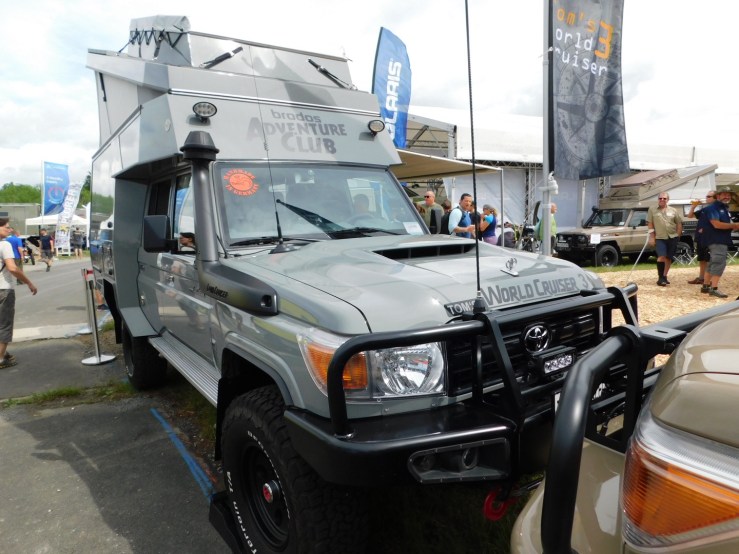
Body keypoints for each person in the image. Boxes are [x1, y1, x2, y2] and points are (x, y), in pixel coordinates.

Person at [0, 218, 38, 369]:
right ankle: (1, 359)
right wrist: (29, 282)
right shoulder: (4, 245)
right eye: (6, 227)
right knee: (4, 324)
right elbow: (12, 268)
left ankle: (3, 352)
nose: (9, 230)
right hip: (3, 289)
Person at [700, 187, 739, 298]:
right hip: (717, 239)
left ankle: (705, 286)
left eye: (729, 195)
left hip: (718, 239)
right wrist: (735, 225)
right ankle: (714, 288)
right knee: (719, 262)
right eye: (724, 194)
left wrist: (732, 226)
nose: (727, 197)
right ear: (718, 196)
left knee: (713, 262)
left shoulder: (723, 208)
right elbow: (716, 224)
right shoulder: (713, 208)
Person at [647, 192, 682, 286]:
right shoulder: (652, 209)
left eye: (664, 198)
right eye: (660, 198)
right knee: (661, 256)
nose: (662, 200)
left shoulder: (673, 210)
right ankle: (660, 278)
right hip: (660, 237)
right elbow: (650, 224)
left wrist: (678, 235)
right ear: (658, 199)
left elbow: (679, 223)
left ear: (668, 200)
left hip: (672, 237)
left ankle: (665, 276)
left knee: (668, 258)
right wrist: (652, 237)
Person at [685, 191, 716, 285]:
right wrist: (693, 207)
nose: (706, 198)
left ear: (715, 198)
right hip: (700, 238)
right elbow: (690, 216)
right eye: (706, 196)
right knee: (702, 258)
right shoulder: (704, 209)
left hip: (710, 238)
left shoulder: (717, 210)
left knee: (709, 259)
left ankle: (709, 280)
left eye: (709, 196)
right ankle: (701, 278)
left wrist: (706, 229)